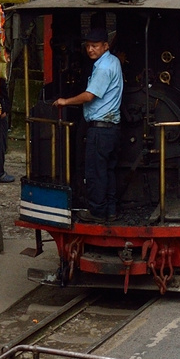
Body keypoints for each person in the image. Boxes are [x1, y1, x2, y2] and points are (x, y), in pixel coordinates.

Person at [53, 27, 123, 222]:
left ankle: (97, 212)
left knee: (95, 172)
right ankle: (110, 210)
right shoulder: (113, 61)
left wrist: (65, 101)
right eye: (88, 46)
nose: (90, 49)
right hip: (112, 128)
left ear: (105, 46)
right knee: (108, 171)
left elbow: (89, 95)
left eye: (95, 46)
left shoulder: (103, 67)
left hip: (100, 129)